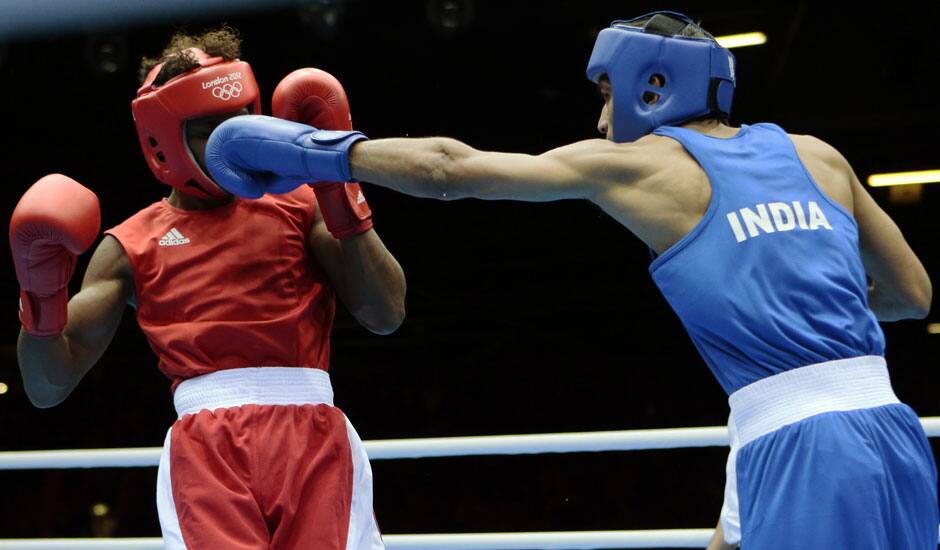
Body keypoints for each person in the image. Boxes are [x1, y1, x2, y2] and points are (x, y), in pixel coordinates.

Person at [205, 11, 938, 549]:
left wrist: (322, 154)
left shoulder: (639, 165)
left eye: (608, 95)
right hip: (892, 436)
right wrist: (794, 303)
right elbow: (913, 295)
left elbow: (454, 171)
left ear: (653, 87)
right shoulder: (820, 156)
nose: (600, 116)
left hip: (802, 449)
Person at [10, 27, 404, 549]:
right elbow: (46, 386)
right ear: (162, 139)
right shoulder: (129, 245)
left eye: (240, 122)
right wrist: (40, 291)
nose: (232, 142)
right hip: (206, 450)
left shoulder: (300, 204)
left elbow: (386, 312)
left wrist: (338, 187)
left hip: (314, 437)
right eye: (210, 130)